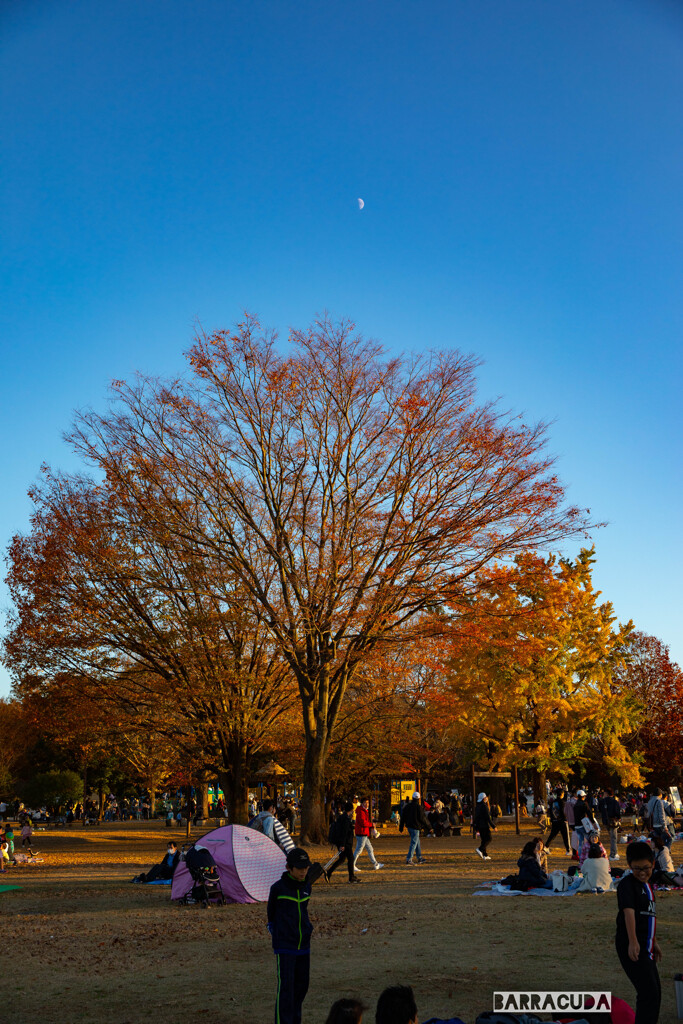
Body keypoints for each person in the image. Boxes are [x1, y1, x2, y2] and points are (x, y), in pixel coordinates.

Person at [615, 841, 661, 1024]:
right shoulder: (627, 885)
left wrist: (654, 942)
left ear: (653, 864)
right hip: (633, 946)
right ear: (629, 866)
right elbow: (629, 914)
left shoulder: (648, 886)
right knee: (648, 993)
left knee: (655, 992)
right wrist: (633, 942)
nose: (642, 872)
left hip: (646, 946)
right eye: (636, 868)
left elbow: (649, 916)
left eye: (646, 868)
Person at [267, 847, 313, 1024]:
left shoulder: (307, 886)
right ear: (289, 868)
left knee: (301, 988)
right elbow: (271, 914)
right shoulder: (278, 889)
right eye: (299, 867)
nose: (303, 871)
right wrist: (278, 932)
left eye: (306, 867)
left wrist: (307, 929)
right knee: (286, 989)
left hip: (304, 946)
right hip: (285, 946)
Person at [326, 802, 361, 884]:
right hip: (345, 843)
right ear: (351, 809)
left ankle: (329, 872)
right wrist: (342, 844)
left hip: (342, 842)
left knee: (342, 859)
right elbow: (344, 832)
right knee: (350, 859)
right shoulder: (346, 819)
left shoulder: (342, 817)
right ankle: (351, 877)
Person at [399, 791, 432, 865]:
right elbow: (423, 818)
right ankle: (409, 859)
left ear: (412, 798)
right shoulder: (419, 807)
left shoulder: (407, 806)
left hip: (409, 827)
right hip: (416, 827)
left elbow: (403, 817)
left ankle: (419, 857)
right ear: (419, 799)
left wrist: (401, 827)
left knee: (417, 842)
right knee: (414, 843)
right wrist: (429, 826)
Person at [353, 797, 383, 873]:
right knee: (359, 850)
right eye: (365, 803)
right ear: (362, 803)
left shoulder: (364, 811)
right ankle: (352, 865)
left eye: (368, 803)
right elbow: (363, 823)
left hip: (364, 833)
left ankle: (376, 864)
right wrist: (371, 824)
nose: (367, 804)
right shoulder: (361, 811)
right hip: (361, 833)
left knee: (370, 849)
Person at [545, 789, 571, 855]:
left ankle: (546, 846)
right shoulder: (562, 802)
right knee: (565, 836)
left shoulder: (553, 802)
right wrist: (565, 818)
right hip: (562, 821)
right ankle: (568, 850)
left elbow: (550, 811)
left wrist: (552, 819)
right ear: (562, 794)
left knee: (552, 835)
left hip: (555, 821)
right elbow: (563, 811)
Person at [600, 787, 622, 860]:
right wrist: (618, 817)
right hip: (613, 821)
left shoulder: (603, 801)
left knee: (612, 837)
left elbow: (600, 810)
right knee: (613, 838)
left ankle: (614, 852)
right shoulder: (614, 801)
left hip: (606, 821)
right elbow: (617, 811)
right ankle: (613, 854)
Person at [473, 792, 496, 860]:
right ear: (484, 798)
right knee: (489, 838)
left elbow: (476, 817)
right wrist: (494, 826)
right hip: (484, 825)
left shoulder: (477, 806)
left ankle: (485, 855)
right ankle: (480, 849)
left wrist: (475, 826)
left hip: (479, 826)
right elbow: (488, 818)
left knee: (483, 840)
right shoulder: (484, 806)